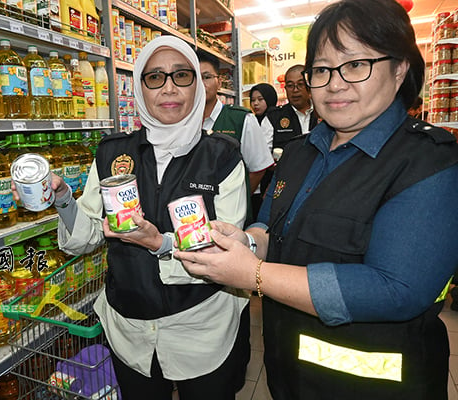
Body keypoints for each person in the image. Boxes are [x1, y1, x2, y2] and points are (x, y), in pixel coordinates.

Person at [176, 1, 458, 399]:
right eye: (322, 69)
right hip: (289, 372)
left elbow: (396, 290)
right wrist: (248, 242)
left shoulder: (431, 161)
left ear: (400, 69)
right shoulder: (300, 152)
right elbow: (272, 225)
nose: (335, 83)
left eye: (356, 64)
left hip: (375, 384)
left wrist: (253, 275)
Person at [17, 36, 250, 399]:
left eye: (181, 75)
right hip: (129, 333)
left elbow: (226, 253)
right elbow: (86, 238)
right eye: (154, 77)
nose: (168, 87)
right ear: (140, 87)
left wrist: (159, 244)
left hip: (201, 330)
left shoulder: (221, 157)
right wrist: (63, 198)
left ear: (198, 86)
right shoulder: (113, 153)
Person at [199, 54, 273, 227]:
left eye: (207, 77)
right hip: (195, 222)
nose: (201, 84)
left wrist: (241, 197)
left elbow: (258, 168)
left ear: (219, 81)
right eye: (194, 77)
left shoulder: (241, 119)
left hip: (233, 221)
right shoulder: (182, 121)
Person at [267, 64, 319, 150]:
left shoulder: (323, 113)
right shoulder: (273, 118)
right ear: (285, 88)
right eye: (290, 85)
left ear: (309, 86)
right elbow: (264, 155)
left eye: (300, 84)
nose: (295, 90)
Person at [249, 83, 278, 219]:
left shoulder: (273, 118)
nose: (256, 104)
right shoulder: (252, 120)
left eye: (260, 99)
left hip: (268, 180)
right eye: (253, 100)